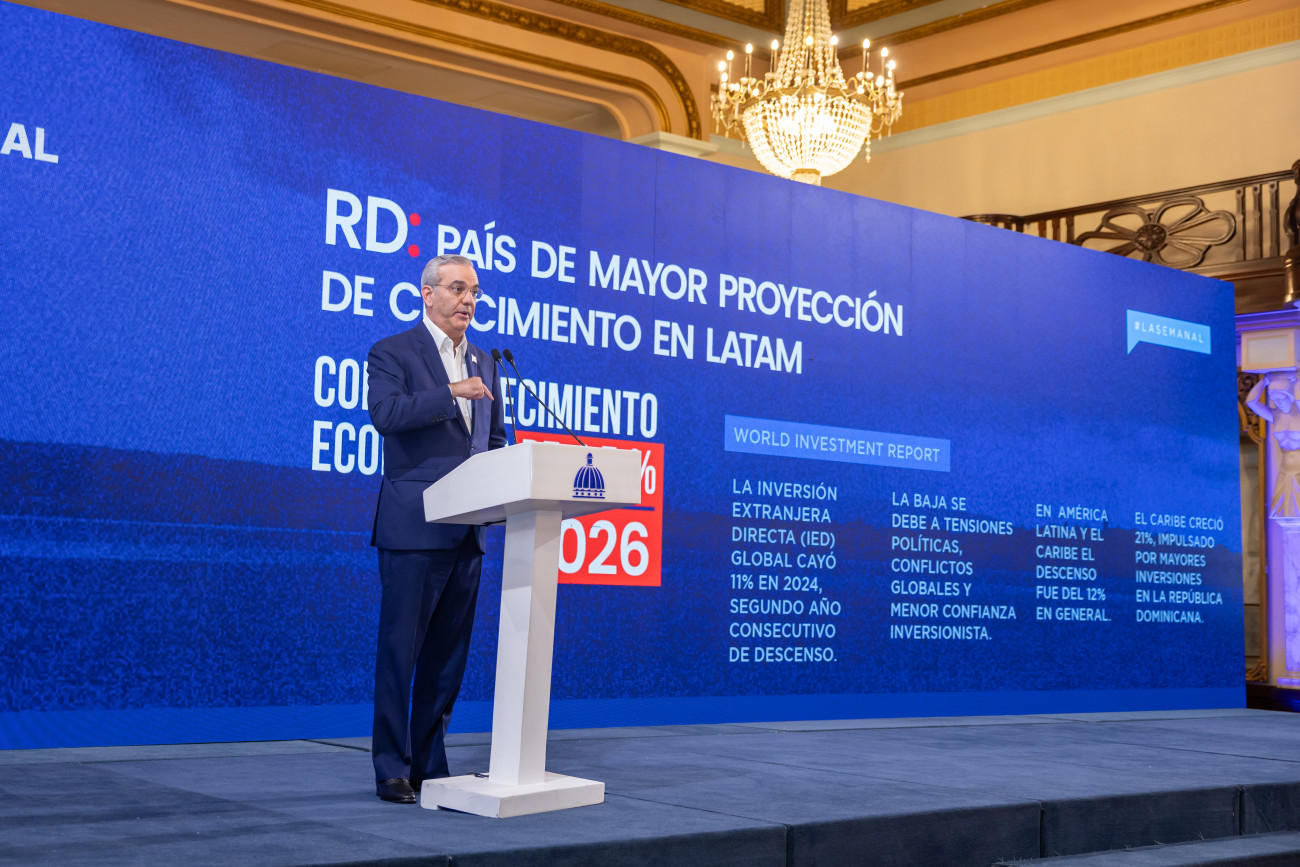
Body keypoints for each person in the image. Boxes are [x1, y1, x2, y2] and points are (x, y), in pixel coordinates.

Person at [366, 254, 507, 804]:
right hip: (414, 527)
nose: (468, 300)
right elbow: (386, 414)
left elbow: (492, 441)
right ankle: (391, 768)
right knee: (400, 654)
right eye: (458, 288)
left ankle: (429, 764)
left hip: (467, 532)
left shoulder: (485, 362)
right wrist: (450, 393)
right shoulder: (393, 351)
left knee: (447, 658)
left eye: (474, 291)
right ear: (428, 294)